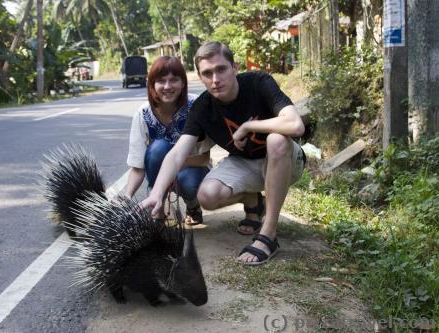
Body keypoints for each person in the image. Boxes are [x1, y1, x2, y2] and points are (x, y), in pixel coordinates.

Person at [141, 42, 306, 265]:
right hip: (245, 163)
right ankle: (254, 199)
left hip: (284, 160)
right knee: (206, 196)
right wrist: (156, 194)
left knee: (276, 140)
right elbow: (177, 153)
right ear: (200, 77)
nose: (215, 79)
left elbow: (296, 125)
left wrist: (248, 127)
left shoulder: (258, 82)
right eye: (207, 73)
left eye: (221, 69)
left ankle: (268, 234)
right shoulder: (201, 108)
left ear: (234, 67)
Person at [125, 55, 210, 225]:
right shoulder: (143, 114)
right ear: (152, 85)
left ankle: (193, 206)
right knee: (157, 149)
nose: (167, 86)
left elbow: (203, 159)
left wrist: (171, 163)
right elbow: (138, 166)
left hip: (192, 170)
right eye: (161, 81)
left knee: (188, 182)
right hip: (156, 172)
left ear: (183, 83)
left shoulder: (196, 107)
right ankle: (158, 208)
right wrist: (127, 197)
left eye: (173, 80)